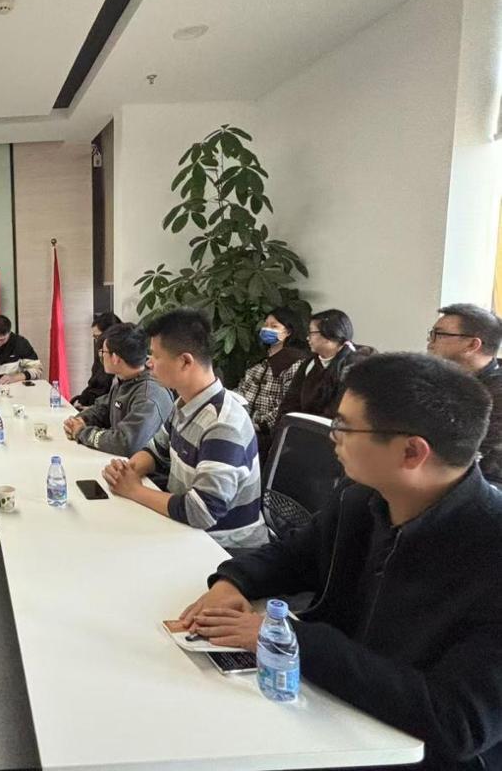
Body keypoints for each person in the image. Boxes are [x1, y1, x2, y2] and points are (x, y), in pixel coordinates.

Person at [179, 353, 502, 771]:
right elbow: (294, 555)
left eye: (345, 427)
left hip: (403, 752)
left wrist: (294, 641)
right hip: (328, 709)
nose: (333, 437)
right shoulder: (362, 499)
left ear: (411, 452)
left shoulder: (489, 550)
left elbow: (456, 721)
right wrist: (234, 582)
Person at [102, 308, 268, 549]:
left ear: (185, 361)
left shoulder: (223, 425)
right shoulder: (184, 403)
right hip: (186, 530)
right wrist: (128, 471)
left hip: (225, 548)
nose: (149, 363)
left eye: (156, 356)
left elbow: (201, 512)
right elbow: (156, 451)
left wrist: (134, 490)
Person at [63, 323, 174, 456]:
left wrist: (82, 432)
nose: (101, 356)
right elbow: (102, 409)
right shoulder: (125, 380)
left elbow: (126, 444)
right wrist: (82, 420)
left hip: (139, 467)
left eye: (103, 352)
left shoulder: (149, 396)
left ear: (115, 358)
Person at [427, 303, 502, 485]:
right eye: (431, 333)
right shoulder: (441, 379)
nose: (430, 341)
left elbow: (469, 451)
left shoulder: (497, 393)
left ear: (472, 344)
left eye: (439, 334)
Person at [236, 307, 308, 455]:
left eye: (274, 326)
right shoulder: (260, 360)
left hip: (269, 434)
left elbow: (288, 405)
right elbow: (242, 390)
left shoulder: (295, 362)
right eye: (266, 325)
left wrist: (260, 425)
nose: (267, 329)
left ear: (288, 332)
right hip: (244, 425)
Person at [275, 308, 362, 424]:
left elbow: (339, 413)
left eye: (311, 333)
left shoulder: (355, 368)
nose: (307, 338)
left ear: (329, 335)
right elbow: (289, 403)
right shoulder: (309, 364)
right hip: (301, 428)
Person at [71, 312, 123, 410]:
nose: (97, 342)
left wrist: (90, 410)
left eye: (98, 337)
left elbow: (114, 408)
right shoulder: (101, 358)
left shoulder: (124, 377)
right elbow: (94, 385)